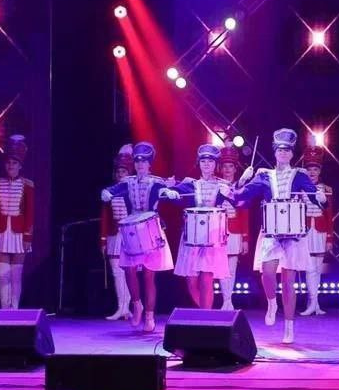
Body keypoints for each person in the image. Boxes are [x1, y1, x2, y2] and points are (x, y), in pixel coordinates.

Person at [230, 128, 326, 344]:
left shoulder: (299, 175)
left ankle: (289, 327)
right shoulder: (264, 175)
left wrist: (320, 198)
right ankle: (272, 302)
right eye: (280, 150)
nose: (283, 153)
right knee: (267, 272)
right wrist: (241, 181)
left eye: (287, 150)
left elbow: (313, 195)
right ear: (274, 152)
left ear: (292, 154)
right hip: (271, 232)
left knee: (289, 281)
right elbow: (241, 197)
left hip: (293, 234)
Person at [101, 142, 179, 333]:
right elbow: (113, 190)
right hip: (131, 231)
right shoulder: (128, 182)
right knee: (129, 270)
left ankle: (150, 316)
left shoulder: (156, 181)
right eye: (137, 161)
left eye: (144, 161)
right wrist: (106, 193)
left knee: (149, 275)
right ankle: (137, 305)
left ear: (149, 163)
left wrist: (168, 192)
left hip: (151, 229)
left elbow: (162, 190)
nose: (140, 164)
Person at [172, 144, 233, 310]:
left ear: (216, 164)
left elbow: (241, 200)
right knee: (191, 281)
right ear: (198, 163)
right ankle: (207, 313)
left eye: (210, 161)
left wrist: (232, 191)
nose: (207, 164)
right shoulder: (189, 185)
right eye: (203, 161)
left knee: (207, 277)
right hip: (191, 236)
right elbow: (171, 194)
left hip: (212, 236)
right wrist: (169, 189)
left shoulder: (222, 185)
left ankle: (206, 316)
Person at [0, 134, 34, 310]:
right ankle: (4, 310)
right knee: (2, 276)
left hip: (20, 234)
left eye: (14, 163)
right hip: (0, 233)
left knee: (16, 275)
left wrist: (28, 236)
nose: (11, 166)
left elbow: (30, 212)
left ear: (20, 165)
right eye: (8, 163)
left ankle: (15, 309)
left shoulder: (28, 185)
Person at [99, 145, 134, 321]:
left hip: (130, 234)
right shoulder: (109, 191)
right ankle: (121, 307)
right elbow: (105, 217)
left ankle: (128, 306)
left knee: (129, 271)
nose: (121, 174)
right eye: (119, 172)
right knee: (116, 271)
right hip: (114, 235)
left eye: (124, 171)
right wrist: (103, 240)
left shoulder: (133, 190)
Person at [300, 144, 334, 316]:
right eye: (309, 169)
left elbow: (329, 216)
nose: (312, 172)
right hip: (305, 231)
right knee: (309, 268)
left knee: (317, 269)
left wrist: (329, 238)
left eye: (315, 169)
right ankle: (312, 303)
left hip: (320, 231)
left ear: (319, 171)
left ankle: (315, 303)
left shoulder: (326, 190)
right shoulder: (299, 189)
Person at [217, 144, 250, 311]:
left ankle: (228, 300)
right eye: (225, 166)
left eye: (230, 166)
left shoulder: (241, 187)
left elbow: (244, 214)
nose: (227, 170)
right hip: (218, 232)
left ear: (235, 169)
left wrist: (245, 238)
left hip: (235, 231)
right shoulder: (215, 185)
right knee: (221, 268)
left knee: (232, 268)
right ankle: (226, 301)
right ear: (220, 168)